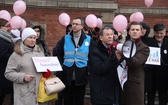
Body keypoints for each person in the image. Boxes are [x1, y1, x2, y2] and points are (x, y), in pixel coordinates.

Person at [4, 27, 46, 105]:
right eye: (30, 38)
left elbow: (43, 68)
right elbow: (8, 73)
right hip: (24, 95)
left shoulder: (40, 52)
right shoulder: (17, 54)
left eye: (34, 38)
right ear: (24, 39)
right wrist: (23, 77)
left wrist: (47, 72)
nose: (33, 40)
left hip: (39, 94)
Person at [55, 17, 91, 105]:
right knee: (68, 100)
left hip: (82, 73)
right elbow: (58, 53)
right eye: (73, 24)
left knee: (79, 100)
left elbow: (92, 55)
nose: (74, 26)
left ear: (82, 26)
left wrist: (88, 69)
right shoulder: (65, 38)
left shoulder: (88, 39)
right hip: (67, 73)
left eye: (76, 24)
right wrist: (60, 66)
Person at [89, 25, 120, 105]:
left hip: (113, 91)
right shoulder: (95, 50)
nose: (110, 37)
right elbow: (99, 69)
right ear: (101, 37)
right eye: (107, 35)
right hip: (101, 93)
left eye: (111, 34)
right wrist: (114, 59)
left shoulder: (113, 48)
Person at [121, 21, 150, 105]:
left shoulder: (144, 48)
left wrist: (126, 53)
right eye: (132, 29)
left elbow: (136, 62)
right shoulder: (125, 45)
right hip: (123, 82)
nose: (134, 31)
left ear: (141, 32)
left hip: (135, 84)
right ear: (129, 32)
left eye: (137, 30)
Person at [145, 23, 168, 105]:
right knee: (150, 99)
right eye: (157, 33)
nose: (159, 35)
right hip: (151, 76)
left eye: (161, 33)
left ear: (165, 33)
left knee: (163, 100)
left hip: (164, 77)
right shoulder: (149, 44)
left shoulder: (167, 43)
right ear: (154, 33)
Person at [53, 24, 72, 105]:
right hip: (62, 72)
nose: (70, 32)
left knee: (70, 97)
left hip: (73, 75)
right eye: (68, 31)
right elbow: (55, 52)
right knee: (59, 96)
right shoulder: (62, 40)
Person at [0, 18, 14, 105]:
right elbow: (2, 54)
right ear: (1, 27)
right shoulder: (2, 39)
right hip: (2, 73)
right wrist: (14, 58)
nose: (9, 28)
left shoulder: (6, 38)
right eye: (7, 26)